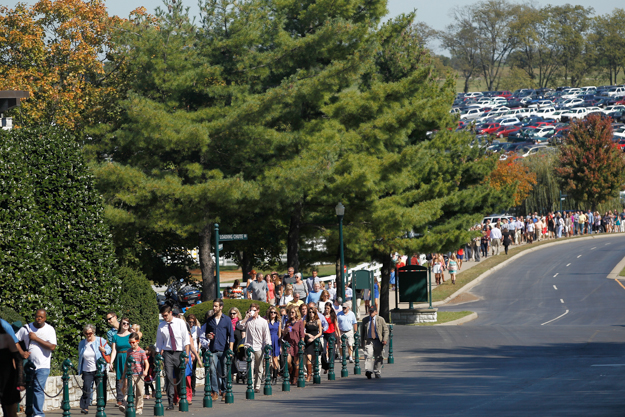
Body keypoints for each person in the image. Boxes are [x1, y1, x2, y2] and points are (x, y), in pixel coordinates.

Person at [16, 309, 56, 417]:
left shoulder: (49, 329)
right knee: (29, 388)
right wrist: (21, 352)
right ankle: (29, 411)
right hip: (29, 365)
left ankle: (38, 413)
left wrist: (36, 338)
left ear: (45, 318)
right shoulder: (26, 328)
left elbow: (52, 346)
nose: (39, 319)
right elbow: (14, 340)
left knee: (38, 387)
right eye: (37, 316)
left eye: (41, 317)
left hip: (43, 365)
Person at [156, 305, 190, 410]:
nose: (164, 317)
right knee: (169, 378)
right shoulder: (161, 326)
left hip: (179, 352)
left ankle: (181, 398)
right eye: (163, 316)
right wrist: (158, 355)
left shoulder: (180, 323)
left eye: (166, 315)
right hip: (168, 353)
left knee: (180, 377)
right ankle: (170, 402)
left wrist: (186, 354)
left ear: (170, 313)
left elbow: (186, 340)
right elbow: (159, 343)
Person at [199, 299, 233, 402]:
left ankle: (225, 390)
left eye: (216, 306)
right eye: (213, 306)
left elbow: (231, 336)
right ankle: (215, 391)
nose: (214, 308)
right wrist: (208, 336)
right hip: (213, 349)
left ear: (221, 307)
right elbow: (206, 334)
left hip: (224, 349)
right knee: (212, 370)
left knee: (224, 371)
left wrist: (230, 350)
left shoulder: (227, 320)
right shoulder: (210, 320)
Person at [78, 324, 110, 414]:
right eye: (86, 333)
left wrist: (104, 350)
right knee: (86, 387)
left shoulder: (100, 340)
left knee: (101, 388)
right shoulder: (82, 343)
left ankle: (102, 406)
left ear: (93, 332)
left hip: (99, 369)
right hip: (87, 369)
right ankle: (85, 407)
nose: (88, 335)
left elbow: (109, 349)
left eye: (90, 333)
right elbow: (80, 357)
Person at [241, 303, 271, 393]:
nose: (252, 312)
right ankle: (250, 384)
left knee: (259, 368)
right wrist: (246, 317)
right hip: (249, 346)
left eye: (254, 310)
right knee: (250, 366)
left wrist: (268, 345)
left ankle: (257, 386)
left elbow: (266, 335)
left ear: (258, 310)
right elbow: (239, 326)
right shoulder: (248, 320)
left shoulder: (263, 321)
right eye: (251, 310)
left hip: (259, 347)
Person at [0, 318, 24, 417]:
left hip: (7, 380)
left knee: (10, 413)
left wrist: (20, 380)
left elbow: (18, 359)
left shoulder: (6, 338)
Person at [120, 333, 149, 414]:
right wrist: (124, 373)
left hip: (139, 375)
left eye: (133, 342)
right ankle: (124, 405)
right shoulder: (129, 351)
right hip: (131, 374)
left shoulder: (142, 351)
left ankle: (139, 408)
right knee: (128, 390)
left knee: (139, 392)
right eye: (130, 343)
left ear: (137, 341)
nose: (131, 344)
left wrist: (145, 371)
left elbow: (146, 363)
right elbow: (126, 362)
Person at [109, 317, 131, 410]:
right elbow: (114, 350)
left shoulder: (131, 335)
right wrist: (111, 362)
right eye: (123, 323)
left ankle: (126, 399)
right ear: (120, 324)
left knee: (127, 379)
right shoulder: (115, 336)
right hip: (119, 357)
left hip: (129, 358)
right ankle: (122, 398)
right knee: (120, 379)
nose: (125, 325)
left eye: (127, 323)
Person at [361, 307, 389, 379]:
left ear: (376, 312)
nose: (371, 313)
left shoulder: (381, 319)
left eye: (373, 311)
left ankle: (377, 371)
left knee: (379, 357)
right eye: (370, 311)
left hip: (378, 341)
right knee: (368, 355)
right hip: (369, 341)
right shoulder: (365, 320)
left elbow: (386, 330)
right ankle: (369, 371)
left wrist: (385, 339)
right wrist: (362, 342)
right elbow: (362, 332)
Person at [281, 306, 304, 385]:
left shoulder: (300, 322)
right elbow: (283, 334)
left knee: (296, 362)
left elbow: (302, 334)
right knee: (288, 361)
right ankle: (291, 374)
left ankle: (295, 377)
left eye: (292, 312)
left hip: (297, 344)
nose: (291, 314)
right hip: (289, 343)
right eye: (290, 312)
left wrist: (302, 344)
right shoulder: (288, 322)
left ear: (296, 313)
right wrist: (285, 331)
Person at [302, 305, 322, 382]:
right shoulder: (305, 321)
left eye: (312, 312)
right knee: (308, 358)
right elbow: (303, 331)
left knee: (315, 359)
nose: (311, 313)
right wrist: (308, 335)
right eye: (309, 312)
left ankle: (315, 374)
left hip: (315, 341)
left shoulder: (318, 321)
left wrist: (314, 337)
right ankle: (309, 375)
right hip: (308, 341)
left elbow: (320, 332)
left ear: (315, 313)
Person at [104, 312, 119, 405]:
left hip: (128, 354)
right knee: (119, 377)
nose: (109, 321)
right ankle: (120, 398)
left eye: (110, 318)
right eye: (107, 320)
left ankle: (128, 395)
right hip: (118, 354)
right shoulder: (110, 332)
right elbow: (113, 346)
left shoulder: (125, 325)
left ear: (115, 317)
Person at [265, 307, 282, 383]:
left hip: (276, 339)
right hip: (268, 339)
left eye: (274, 312)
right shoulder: (266, 321)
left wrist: (280, 345)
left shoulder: (278, 322)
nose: (273, 314)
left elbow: (280, 334)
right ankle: (268, 375)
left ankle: (275, 377)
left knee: (275, 358)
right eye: (271, 312)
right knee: (267, 358)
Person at [322, 303, 340, 374]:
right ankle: (326, 366)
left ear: (330, 309)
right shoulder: (323, 316)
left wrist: (338, 337)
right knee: (323, 351)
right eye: (325, 308)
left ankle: (331, 366)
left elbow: (336, 326)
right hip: (324, 334)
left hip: (331, 334)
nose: (326, 310)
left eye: (328, 308)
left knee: (331, 350)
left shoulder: (333, 316)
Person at [187, 314, 200, 396]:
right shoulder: (186, 329)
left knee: (193, 371)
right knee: (188, 371)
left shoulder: (197, 329)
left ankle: (193, 387)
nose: (191, 323)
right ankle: (188, 388)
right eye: (189, 322)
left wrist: (198, 351)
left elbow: (199, 340)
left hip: (195, 351)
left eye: (193, 322)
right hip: (188, 351)